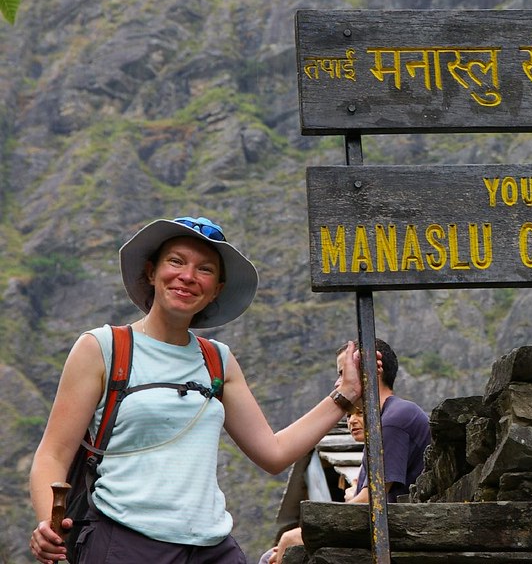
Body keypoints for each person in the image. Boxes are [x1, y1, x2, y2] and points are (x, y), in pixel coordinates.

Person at [28, 216, 372, 564]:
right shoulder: (103, 348)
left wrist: (345, 394)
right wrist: (49, 524)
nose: (188, 276)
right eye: (176, 261)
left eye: (204, 269)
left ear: (216, 289)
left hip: (211, 547)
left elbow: (273, 453)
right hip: (123, 541)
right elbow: (53, 454)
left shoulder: (218, 360)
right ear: (151, 271)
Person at [260, 339, 431, 564]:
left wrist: (307, 531)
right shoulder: (382, 422)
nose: (338, 382)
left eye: (343, 372)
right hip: (384, 528)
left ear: (373, 369)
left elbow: (372, 498)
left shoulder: (394, 419)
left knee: (285, 545)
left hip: (396, 532)